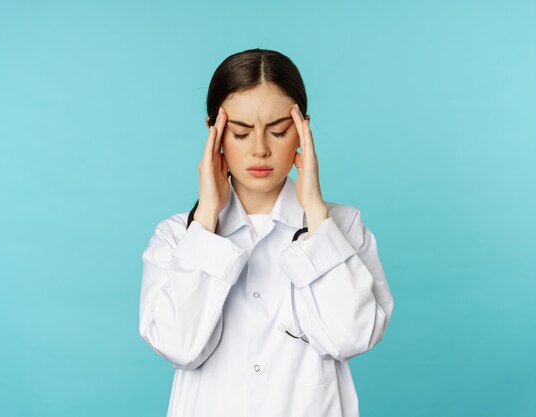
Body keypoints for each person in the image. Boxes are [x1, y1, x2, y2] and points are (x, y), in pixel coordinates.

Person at [139, 48, 395, 417]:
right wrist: (208, 218)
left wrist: (316, 214)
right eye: (241, 133)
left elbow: (352, 337)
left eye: (278, 131)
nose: (260, 150)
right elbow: (178, 346)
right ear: (215, 132)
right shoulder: (177, 237)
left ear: (303, 130)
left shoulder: (342, 228)